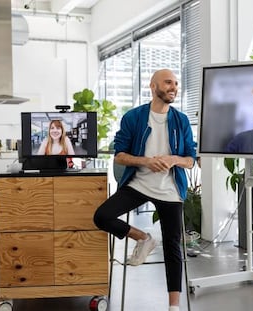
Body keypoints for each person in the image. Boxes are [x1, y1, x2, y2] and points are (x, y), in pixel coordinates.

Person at [93, 69, 197, 311]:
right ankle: (143, 238)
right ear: (153, 86)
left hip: (170, 189)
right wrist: (147, 161)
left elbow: (191, 159)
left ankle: (174, 307)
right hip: (139, 184)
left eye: (176, 83)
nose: (173, 87)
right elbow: (119, 156)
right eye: (168, 82)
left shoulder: (181, 120)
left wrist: (174, 159)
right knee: (102, 216)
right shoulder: (134, 117)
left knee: (172, 245)